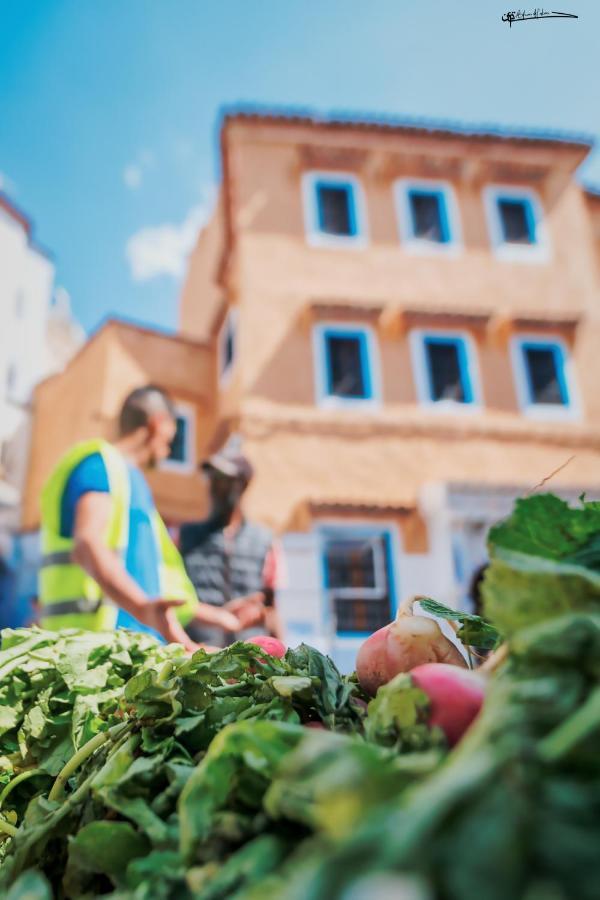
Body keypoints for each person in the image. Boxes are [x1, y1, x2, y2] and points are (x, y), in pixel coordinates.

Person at [38, 385, 241, 649]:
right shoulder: (100, 466)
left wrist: (220, 616)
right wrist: (142, 608)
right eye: (173, 435)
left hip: (133, 653)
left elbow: (155, 588)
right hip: (94, 656)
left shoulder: (135, 487)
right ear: (158, 424)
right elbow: (87, 544)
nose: (170, 448)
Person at [180, 442, 284, 648]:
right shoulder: (185, 536)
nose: (215, 487)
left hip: (248, 659)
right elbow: (174, 600)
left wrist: (284, 661)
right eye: (213, 479)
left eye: (224, 480)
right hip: (198, 657)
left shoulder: (265, 542)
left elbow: (272, 609)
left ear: (242, 485)